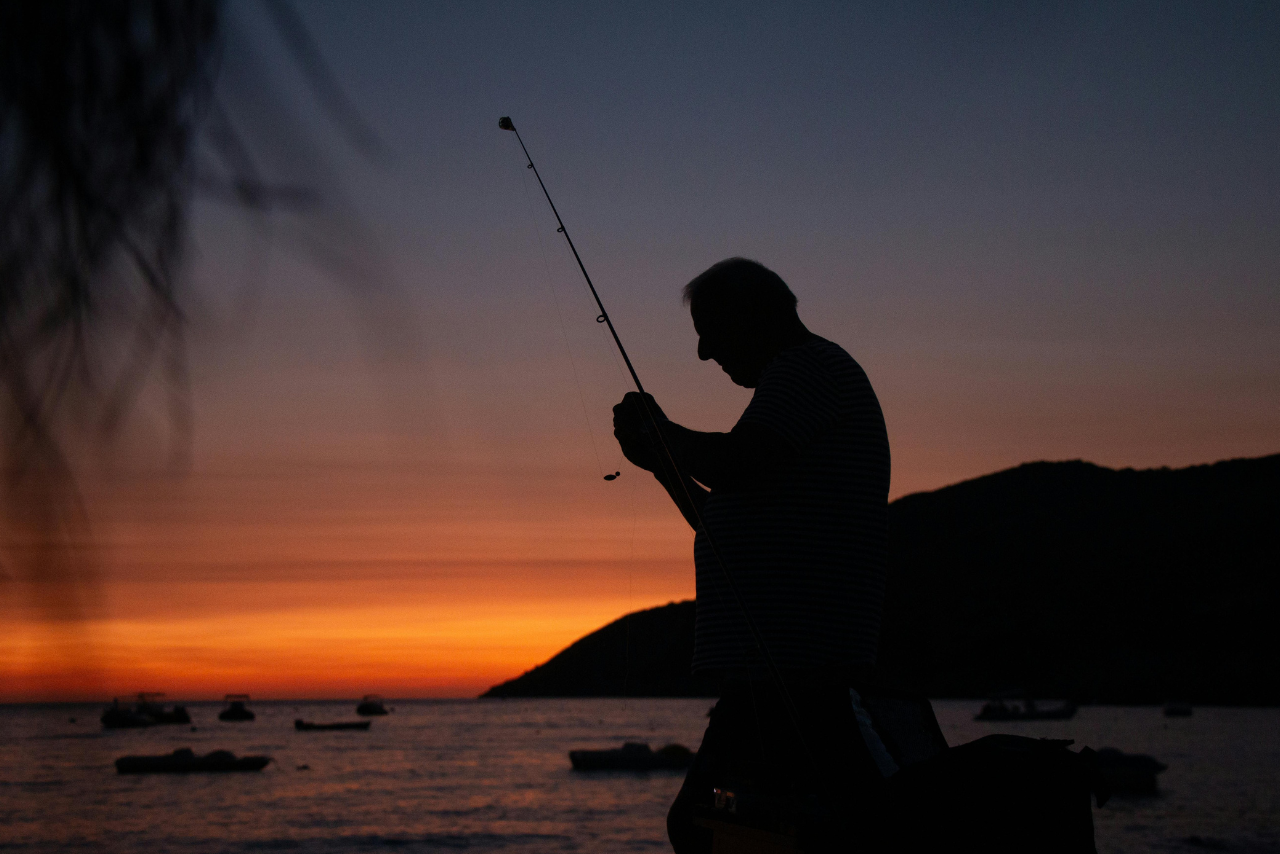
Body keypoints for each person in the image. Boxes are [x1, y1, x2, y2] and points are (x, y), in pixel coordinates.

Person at [612, 258, 893, 852]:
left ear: (751, 316)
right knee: (748, 821)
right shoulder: (792, 387)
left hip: (798, 671)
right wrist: (663, 462)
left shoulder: (808, 369)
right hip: (778, 672)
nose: (704, 353)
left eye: (709, 332)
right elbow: (722, 515)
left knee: (710, 821)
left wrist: (664, 434)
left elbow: (740, 461)